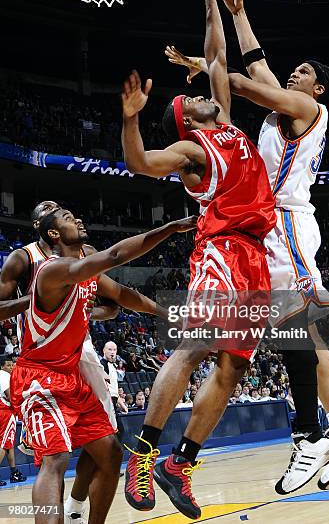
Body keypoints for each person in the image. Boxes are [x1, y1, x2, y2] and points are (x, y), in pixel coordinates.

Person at [167, 0, 329, 494]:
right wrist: (239, 12)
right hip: (268, 225)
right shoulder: (288, 106)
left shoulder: (307, 111)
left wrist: (209, 66)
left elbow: (242, 80)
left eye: (301, 72)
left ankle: (314, 436)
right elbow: (256, 64)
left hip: (286, 223)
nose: (291, 74)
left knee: (292, 328)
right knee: (298, 332)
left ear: (317, 89)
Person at [121, 0, 276, 520]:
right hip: (222, 250)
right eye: (198, 99)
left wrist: (212, 2)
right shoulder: (193, 151)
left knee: (233, 367)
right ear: (187, 118)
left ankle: (179, 464)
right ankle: (142, 454)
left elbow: (214, 58)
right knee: (194, 348)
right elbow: (139, 163)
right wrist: (131, 122)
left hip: (256, 256)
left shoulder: (229, 124)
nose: (208, 92)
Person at [10, 208, 196, 524]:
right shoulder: (51, 271)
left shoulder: (86, 272)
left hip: (71, 378)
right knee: (55, 458)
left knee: (111, 455)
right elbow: (114, 255)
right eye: (69, 218)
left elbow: (125, 295)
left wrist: (169, 316)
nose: (78, 219)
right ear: (53, 234)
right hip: (38, 378)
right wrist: (168, 228)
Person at [0, 358, 26, 485]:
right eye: (8, 365)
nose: (11, 367)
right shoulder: (3, 375)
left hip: (2, 411)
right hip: (5, 412)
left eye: (12, 364)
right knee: (4, 444)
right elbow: (11, 397)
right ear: (2, 366)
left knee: (8, 444)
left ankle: (14, 472)